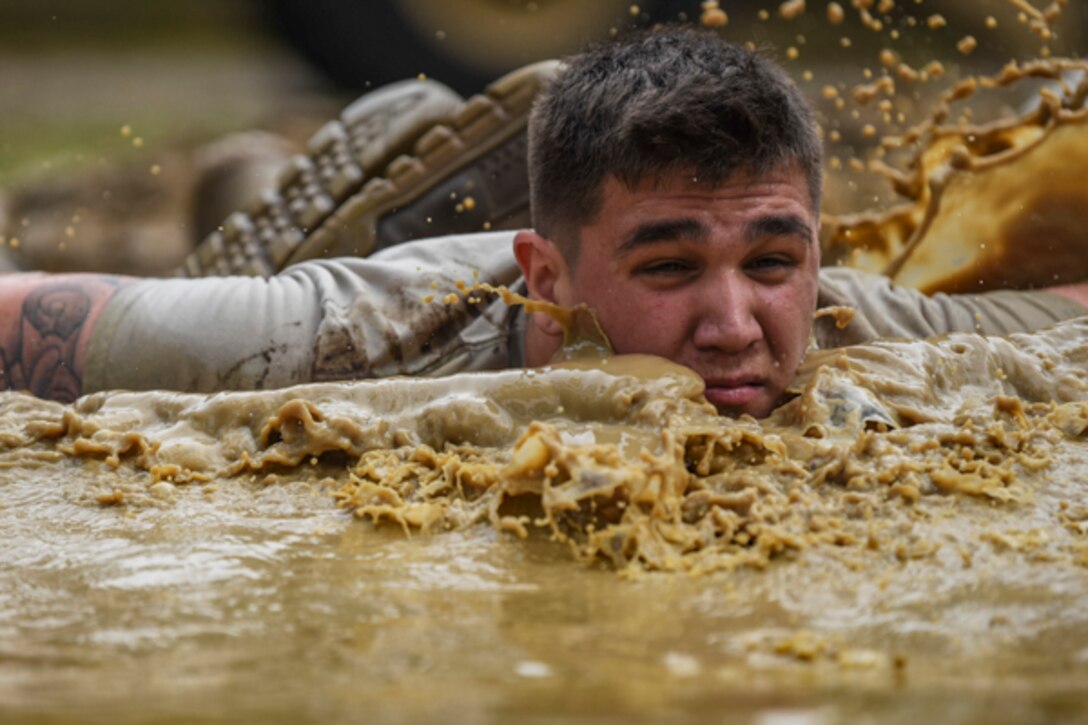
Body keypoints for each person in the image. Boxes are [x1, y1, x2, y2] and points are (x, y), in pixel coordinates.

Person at [1, 28, 1086, 417]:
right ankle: (266, 187)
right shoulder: (360, 330)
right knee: (235, 267)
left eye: (770, 260)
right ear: (545, 276)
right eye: (669, 268)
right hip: (373, 272)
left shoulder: (855, 324)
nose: (733, 326)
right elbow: (33, 322)